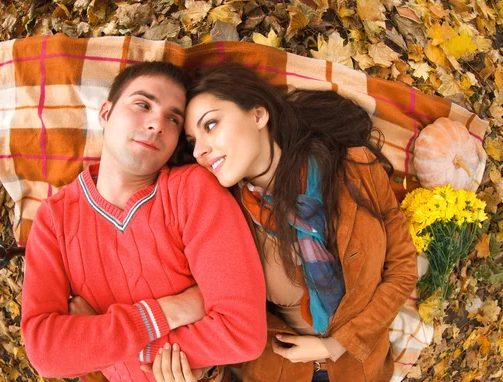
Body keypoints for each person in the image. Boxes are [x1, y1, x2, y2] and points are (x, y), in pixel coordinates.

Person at [157, 63, 418, 382]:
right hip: (276, 370)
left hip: (360, 367)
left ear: (258, 115)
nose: (200, 150)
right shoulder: (225, 213)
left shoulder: (355, 167)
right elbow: (224, 309)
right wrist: (206, 369)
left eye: (210, 125)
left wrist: (336, 345)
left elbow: (403, 269)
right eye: (192, 141)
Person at [20, 62, 267, 382]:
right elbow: (46, 352)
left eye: (172, 118)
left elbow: (242, 333)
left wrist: (102, 346)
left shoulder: (192, 191)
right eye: (142, 104)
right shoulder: (55, 219)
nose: (156, 124)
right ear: (106, 114)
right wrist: (171, 311)